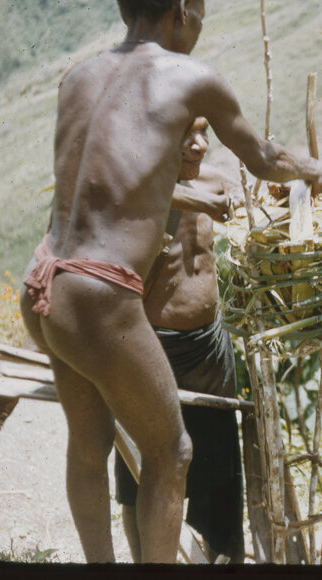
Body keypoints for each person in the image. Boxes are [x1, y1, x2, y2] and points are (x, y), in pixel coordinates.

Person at [18, 0, 322, 563]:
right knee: (173, 453)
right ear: (185, 7)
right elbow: (266, 162)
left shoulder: (79, 76)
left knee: (90, 441)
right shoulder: (190, 77)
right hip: (101, 294)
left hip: (44, 279)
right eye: (203, 11)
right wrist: (316, 171)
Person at [113, 118, 245, 563]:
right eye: (184, 133)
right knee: (142, 464)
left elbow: (255, 198)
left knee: (218, 464)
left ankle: (217, 558)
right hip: (152, 347)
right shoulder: (141, 193)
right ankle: (144, 562)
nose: (199, 144)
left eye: (204, 131)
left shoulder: (214, 185)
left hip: (208, 347)